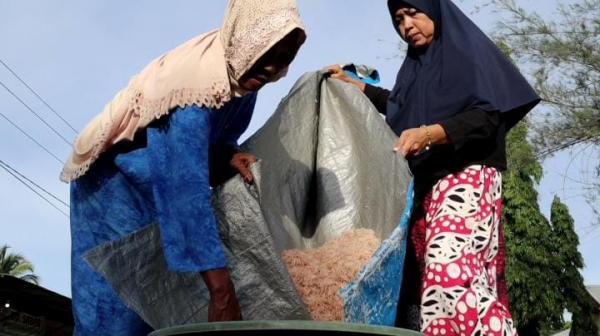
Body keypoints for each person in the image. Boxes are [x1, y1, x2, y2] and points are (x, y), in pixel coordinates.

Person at [61, 1, 306, 334]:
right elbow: (182, 187)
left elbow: (208, 145)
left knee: (158, 302)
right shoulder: (196, 86)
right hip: (112, 186)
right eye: (266, 53)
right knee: (115, 306)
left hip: (154, 179)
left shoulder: (241, 79)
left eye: (284, 57)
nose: (271, 68)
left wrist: (226, 156)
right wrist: (222, 291)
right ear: (243, 39)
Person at [326, 0, 539, 335]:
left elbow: (486, 116)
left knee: (449, 272)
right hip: (428, 186)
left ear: (435, 10)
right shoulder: (416, 69)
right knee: (431, 288)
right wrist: (359, 88)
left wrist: (429, 134)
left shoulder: (464, 55)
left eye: (413, 13)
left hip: (467, 176)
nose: (406, 25)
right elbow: (401, 105)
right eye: (398, 19)